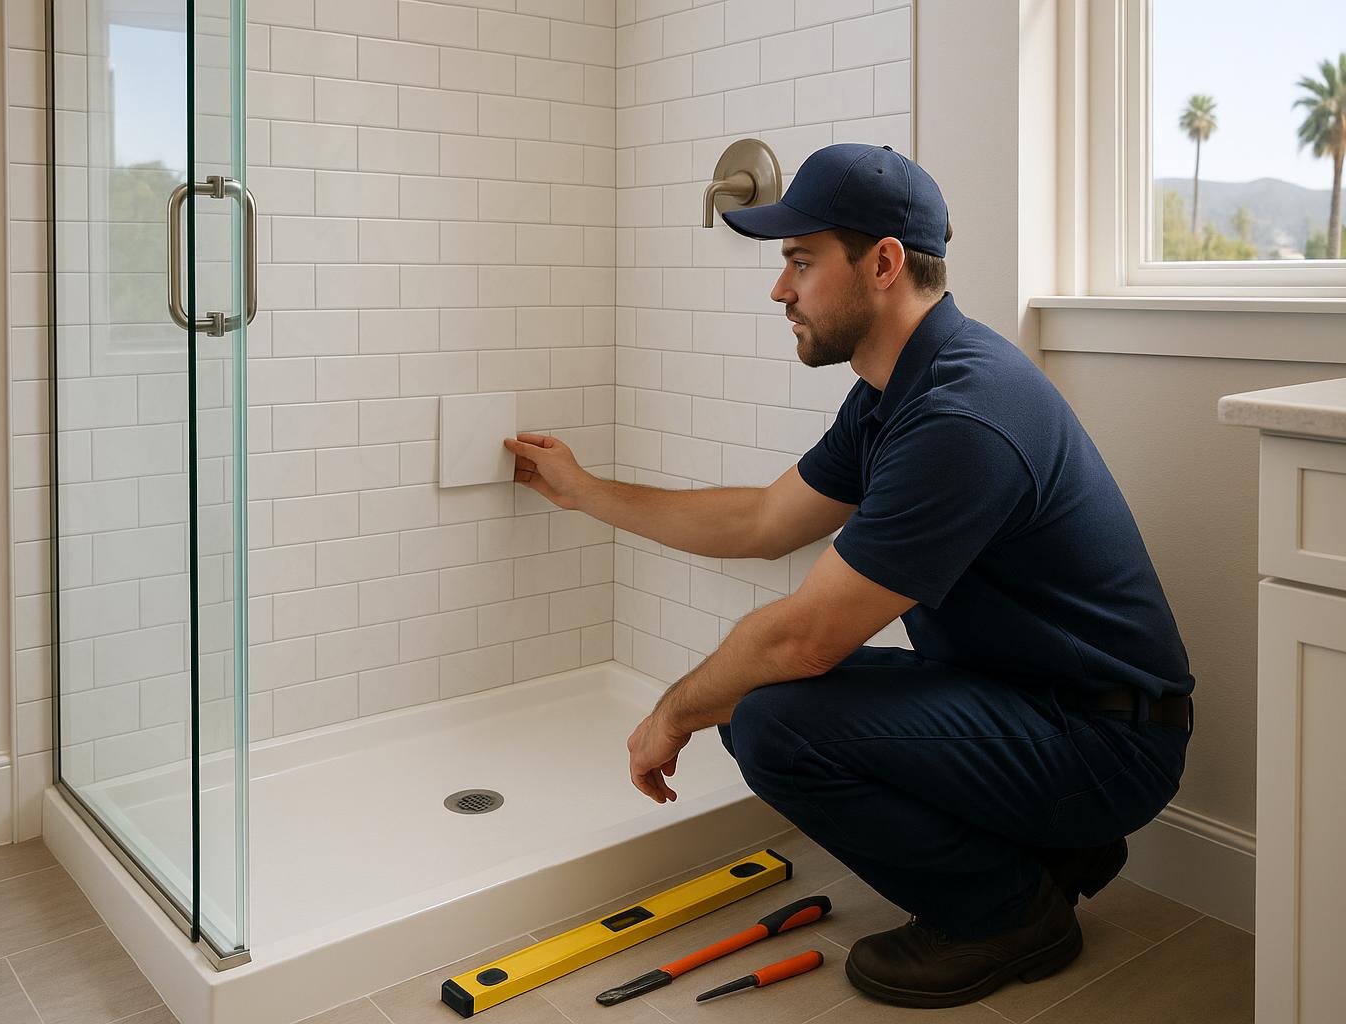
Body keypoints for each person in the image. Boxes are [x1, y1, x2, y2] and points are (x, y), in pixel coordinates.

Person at [501, 143, 1194, 1009]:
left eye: (800, 262)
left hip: (1103, 742)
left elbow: (804, 638)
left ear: (884, 263)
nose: (779, 290)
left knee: (771, 721)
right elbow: (763, 520)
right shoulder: (892, 392)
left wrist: (673, 711)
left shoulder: (960, 415)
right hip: (1032, 700)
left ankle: (1007, 914)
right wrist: (587, 491)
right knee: (771, 699)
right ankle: (1049, 854)